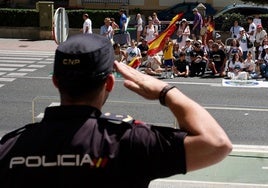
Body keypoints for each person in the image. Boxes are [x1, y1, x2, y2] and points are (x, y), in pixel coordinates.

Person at [0, 33, 232, 188]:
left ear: (55, 82)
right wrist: (165, 90)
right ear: (109, 83)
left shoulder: (10, 147)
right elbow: (217, 143)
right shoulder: (129, 141)